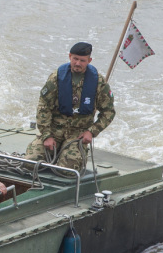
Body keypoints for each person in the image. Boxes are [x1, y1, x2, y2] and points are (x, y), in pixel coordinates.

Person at [23, 42, 115, 173]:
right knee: (30, 163)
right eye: (75, 59)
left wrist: (92, 131)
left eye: (82, 60)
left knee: (67, 170)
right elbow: (44, 107)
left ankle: (68, 155)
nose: (77, 63)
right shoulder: (56, 77)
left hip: (77, 135)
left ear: (89, 60)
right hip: (54, 130)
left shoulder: (99, 83)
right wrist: (47, 135)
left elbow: (108, 112)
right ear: (70, 56)